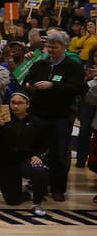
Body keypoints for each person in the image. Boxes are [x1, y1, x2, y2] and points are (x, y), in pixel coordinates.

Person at [21, 31, 83, 202]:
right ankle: (38, 184)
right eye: (48, 46)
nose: (50, 50)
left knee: (59, 154)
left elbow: (76, 88)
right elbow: (27, 79)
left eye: (54, 47)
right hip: (38, 115)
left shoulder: (73, 66)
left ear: (64, 47)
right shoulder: (40, 64)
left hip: (60, 116)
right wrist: (29, 85)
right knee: (37, 151)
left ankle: (58, 188)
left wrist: (53, 86)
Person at [0, 93, 50, 216]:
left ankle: (37, 203)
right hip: (6, 162)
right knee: (12, 201)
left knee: (41, 170)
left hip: (26, 159)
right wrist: (0, 127)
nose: (15, 106)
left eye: (19, 103)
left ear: (27, 105)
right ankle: (28, 193)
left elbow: (44, 144)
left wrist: (39, 155)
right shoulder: (2, 119)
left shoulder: (37, 122)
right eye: (12, 102)